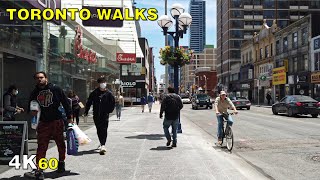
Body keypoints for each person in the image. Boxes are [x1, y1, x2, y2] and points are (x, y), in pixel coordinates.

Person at [24, 72, 73, 179]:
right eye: (37, 78)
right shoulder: (35, 92)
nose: (39, 80)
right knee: (41, 147)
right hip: (43, 123)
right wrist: (32, 112)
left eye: (41, 77)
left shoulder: (56, 89)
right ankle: (39, 170)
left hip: (57, 121)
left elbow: (65, 103)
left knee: (60, 144)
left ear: (46, 78)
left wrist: (69, 119)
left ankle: (61, 163)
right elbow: (30, 106)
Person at [84, 76, 115, 155]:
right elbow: (89, 102)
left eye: (104, 82)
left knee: (104, 129)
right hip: (96, 114)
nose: (103, 84)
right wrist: (86, 111)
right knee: (99, 129)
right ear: (99, 84)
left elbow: (113, 103)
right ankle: (101, 143)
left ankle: (103, 144)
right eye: (101, 83)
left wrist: (109, 111)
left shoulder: (109, 94)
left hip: (105, 115)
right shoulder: (94, 93)